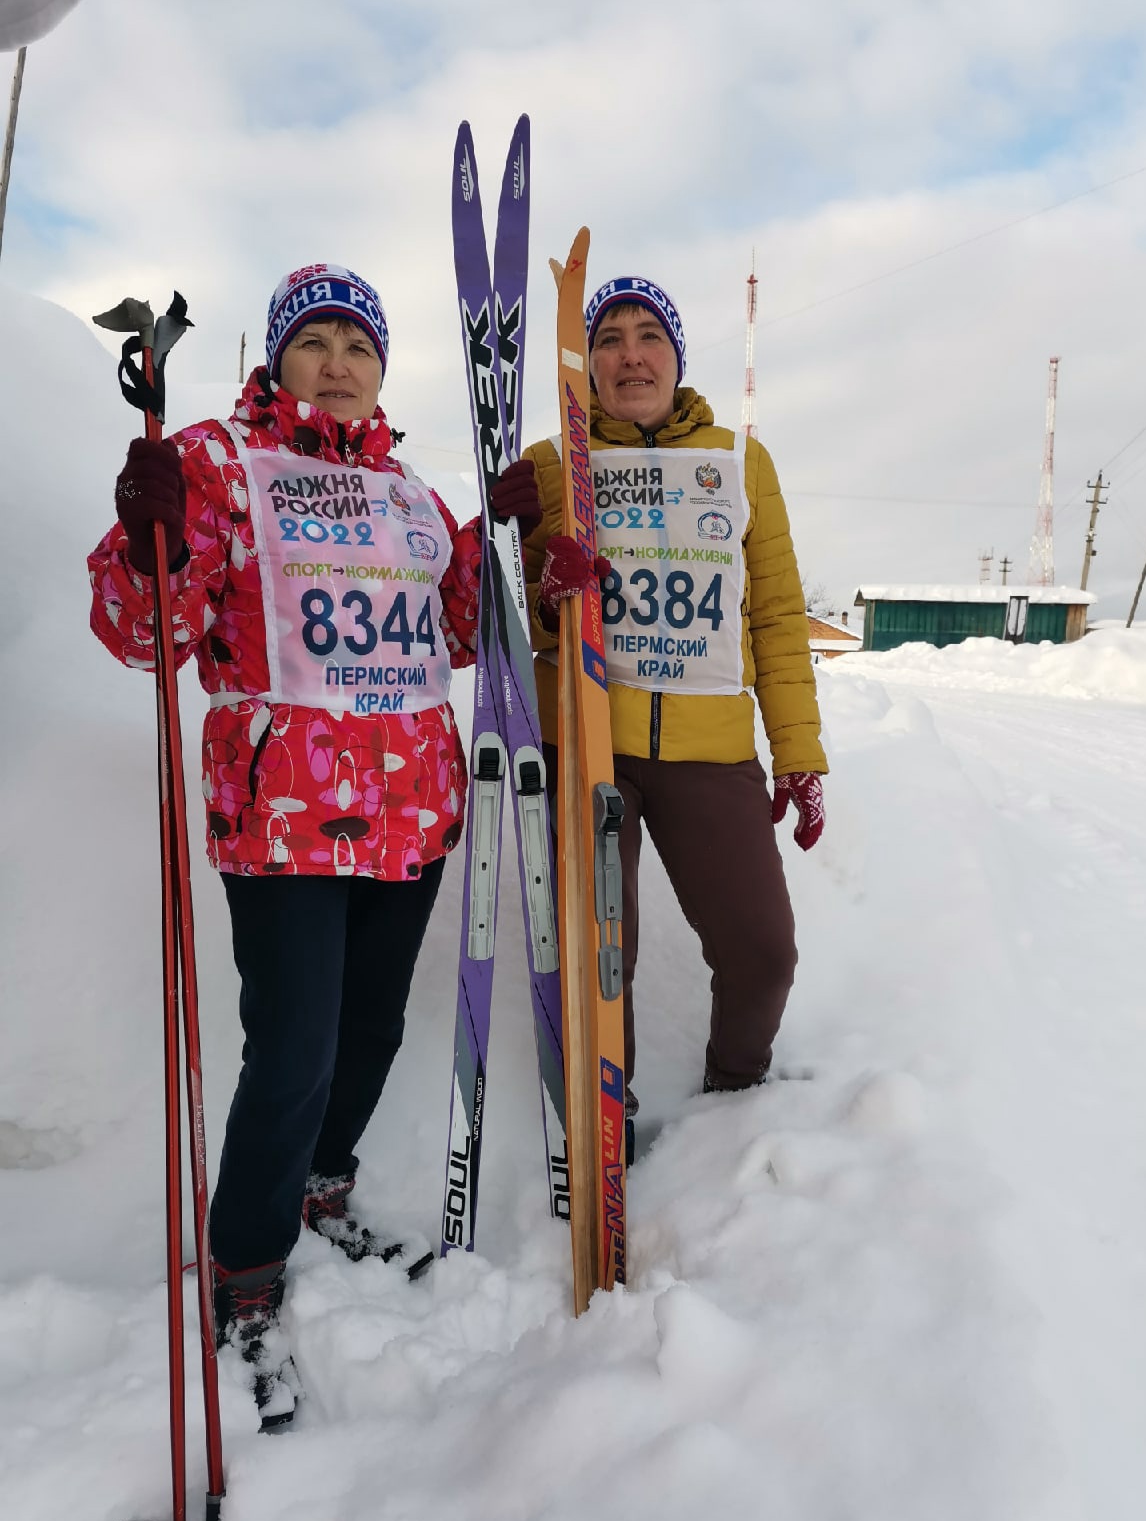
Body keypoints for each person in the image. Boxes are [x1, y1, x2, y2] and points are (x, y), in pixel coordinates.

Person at [89, 262, 508, 1425]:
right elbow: (147, 636)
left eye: (359, 346)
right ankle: (249, 1261)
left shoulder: (412, 497)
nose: (337, 361)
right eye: (313, 340)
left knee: (370, 1030)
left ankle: (326, 1188)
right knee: (295, 1050)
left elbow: (460, 629)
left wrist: (507, 543)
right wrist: (146, 535)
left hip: (409, 817)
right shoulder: (225, 464)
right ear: (277, 360)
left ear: (381, 373)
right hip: (282, 822)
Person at [515, 275, 828, 1156]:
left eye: (647, 333)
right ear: (588, 364)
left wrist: (797, 752)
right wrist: (543, 582)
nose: (628, 352)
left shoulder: (740, 462)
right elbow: (508, 620)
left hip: (708, 748)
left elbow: (774, 615)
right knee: (601, 960)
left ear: (677, 357)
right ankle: (604, 1123)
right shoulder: (554, 465)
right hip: (585, 741)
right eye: (607, 337)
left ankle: (733, 1105)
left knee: (763, 950)